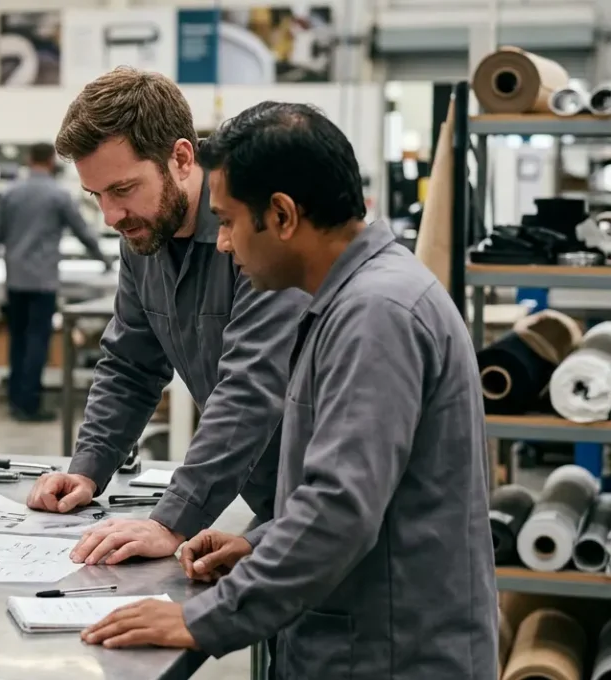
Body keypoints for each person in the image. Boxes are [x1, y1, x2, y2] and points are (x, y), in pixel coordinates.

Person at [81, 102, 498, 678]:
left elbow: (339, 507)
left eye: (227, 222)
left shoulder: (376, 315)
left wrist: (204, 620)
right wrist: (264, 540)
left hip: (390, 652)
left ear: (281, 216)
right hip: (347, 633)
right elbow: (365, 484)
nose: (221, 245)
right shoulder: (346, 302)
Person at [24, 67, 308, 564]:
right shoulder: (143, 236)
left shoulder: (255, 230)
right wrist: (88, 470)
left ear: (180, 158)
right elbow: (131, 364)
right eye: (97, 197)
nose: (111, 216)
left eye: (123, 189)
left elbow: (252, 386)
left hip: (329, 500)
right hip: (273, 506)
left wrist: (171, 521)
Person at [0, 142, 109, 421]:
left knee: (18, 341)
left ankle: (16, 399)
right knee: (37, 342)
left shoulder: (10, 194)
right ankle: (29, 405)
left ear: (29, 159)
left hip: (15, 281)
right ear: (51, 160)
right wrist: (106, 260)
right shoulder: (58, 195)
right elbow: (83, 232)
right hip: (43, 282)